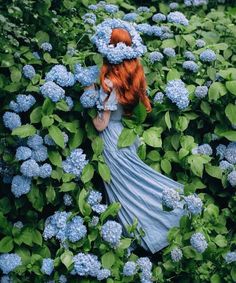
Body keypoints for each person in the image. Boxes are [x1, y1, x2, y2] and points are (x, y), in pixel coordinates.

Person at [83, 19, 185, 254]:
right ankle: (167, 217)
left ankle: (145, 234)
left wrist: (88, 98)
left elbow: (100, 125)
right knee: (138, 180)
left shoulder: (109, 82)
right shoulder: (131, 77)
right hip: (127, 136)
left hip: (111, 139)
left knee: (125, 188)